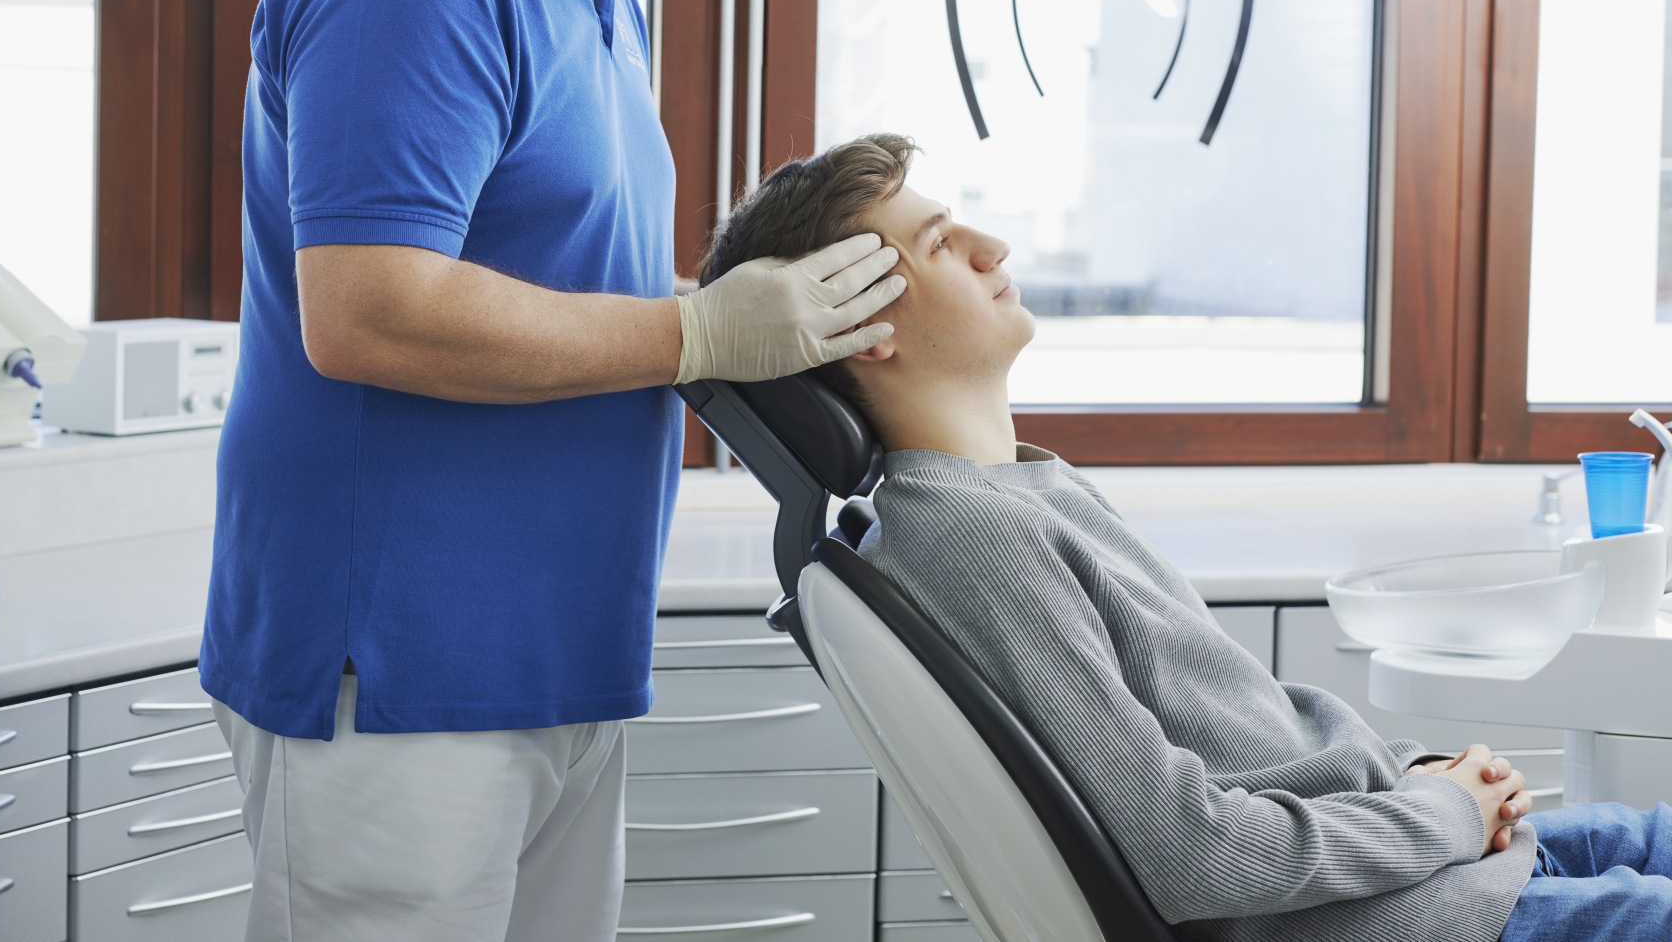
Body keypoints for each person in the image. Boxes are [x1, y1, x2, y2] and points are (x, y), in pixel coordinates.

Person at [200, 0, 907, 942]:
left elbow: (568, 282)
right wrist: (698, 333)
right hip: (400, 665)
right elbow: (368, 310)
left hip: (553, 649)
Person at [698, 131, 1672, 942]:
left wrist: (1414, 785)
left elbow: (1238, 750)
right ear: (862, 324)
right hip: (1414, 911)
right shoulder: (971, 537)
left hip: (1421, 863)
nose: (995, 247)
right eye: (942, 243)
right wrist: (1440, 813)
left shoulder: (1017, 492)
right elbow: (1190, 854)